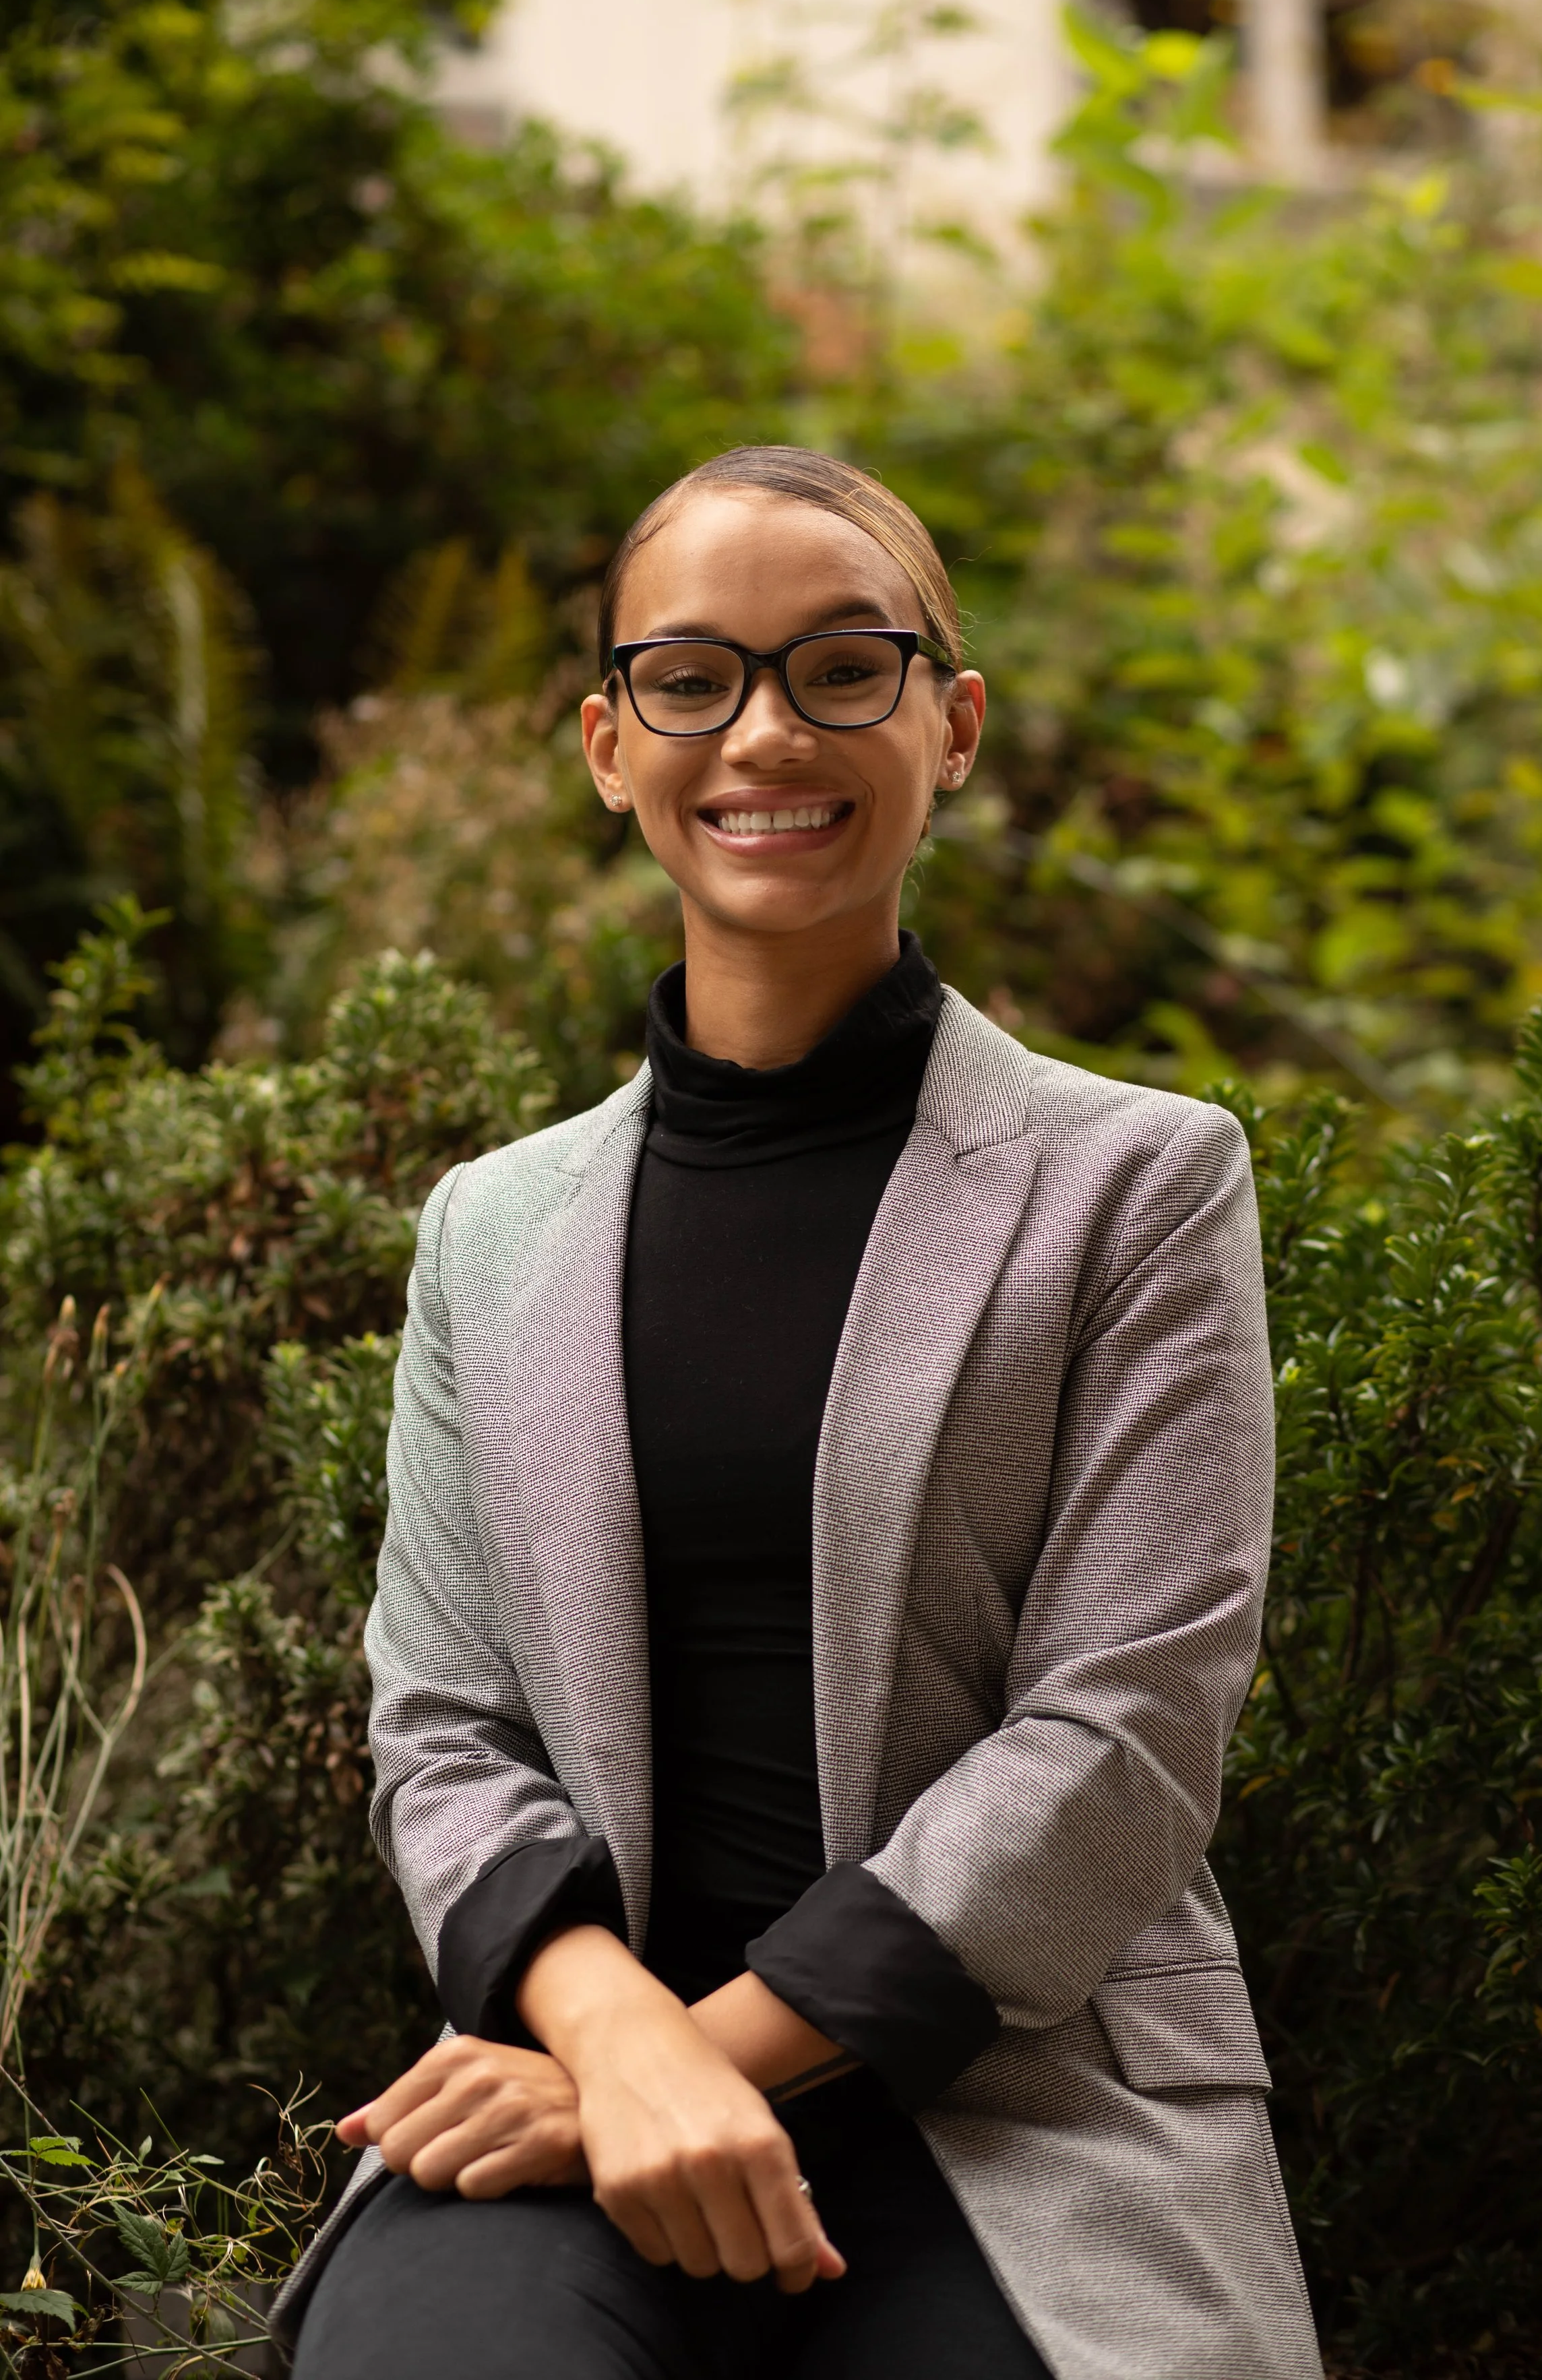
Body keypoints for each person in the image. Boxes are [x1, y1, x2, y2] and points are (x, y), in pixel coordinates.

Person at [278, 446, 1322, 2380]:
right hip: (565, 2078)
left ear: (954, 720)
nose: (764, 730)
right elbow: (441, 1726)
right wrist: (608, 2039)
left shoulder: (1137, 1183)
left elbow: (1127, 1724)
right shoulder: (494, 1231)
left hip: (1022, 2103)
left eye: (843, 666)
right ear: (608, 741)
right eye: (691, 676)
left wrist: (685, 2066)